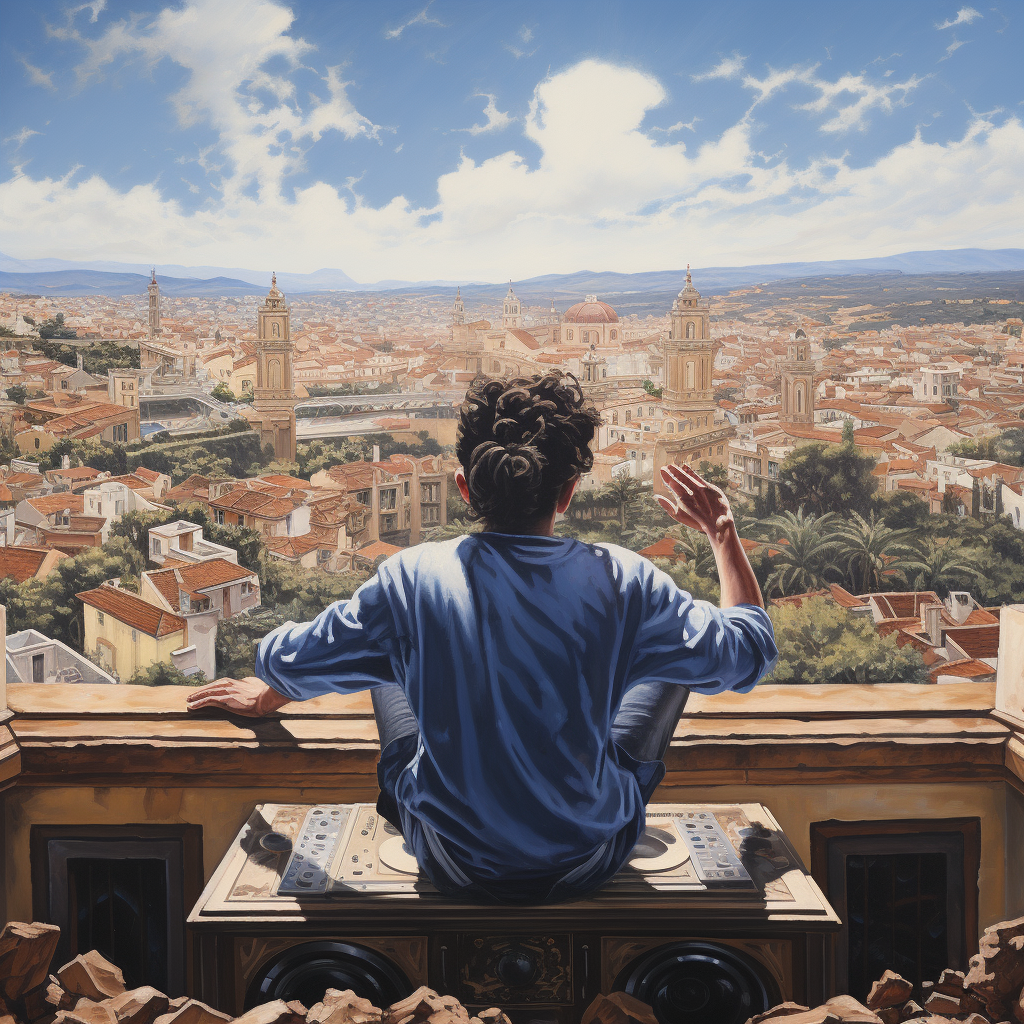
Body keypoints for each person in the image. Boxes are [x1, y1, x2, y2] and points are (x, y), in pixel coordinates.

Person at [187, 371, 777, 904]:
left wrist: (266, 696)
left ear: (465, 488)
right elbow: (749, 651)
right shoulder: (625, 579)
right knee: (677, 651)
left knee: (393, 650)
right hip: (588, 857)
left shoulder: (411, 577)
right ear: (567, 493)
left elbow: (290, 658)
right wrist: (722, 533)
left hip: (452, 860)